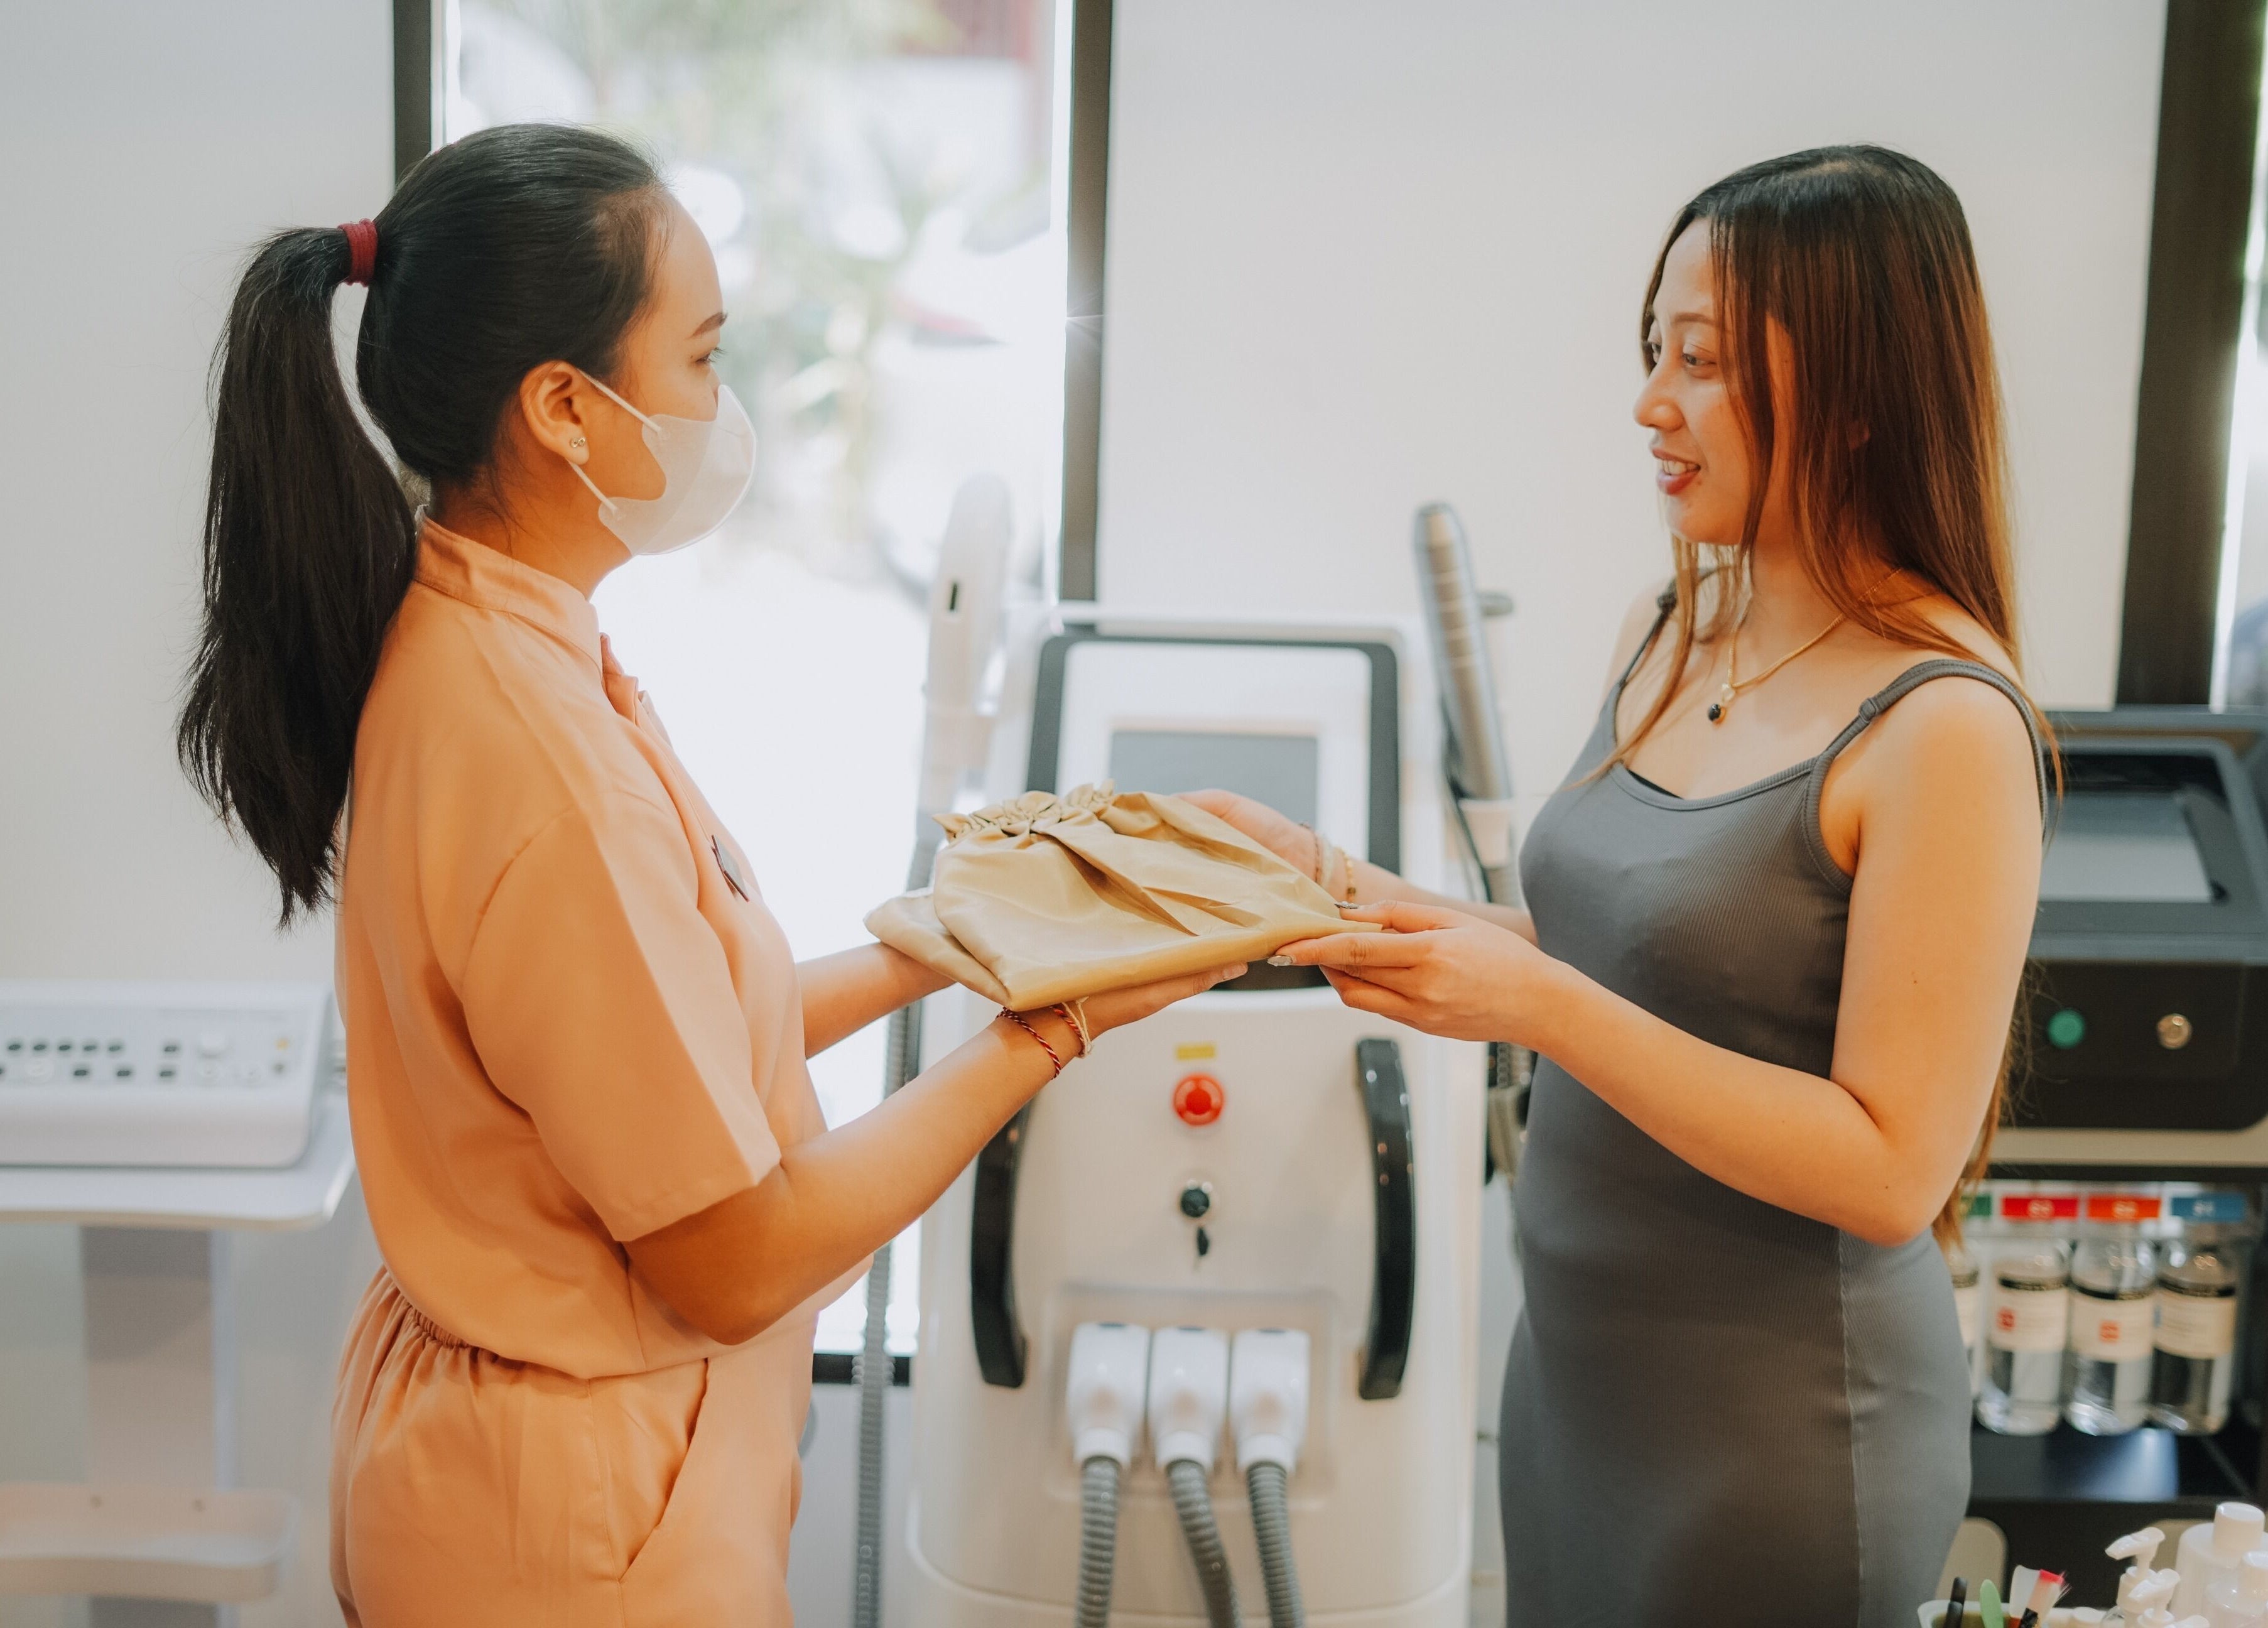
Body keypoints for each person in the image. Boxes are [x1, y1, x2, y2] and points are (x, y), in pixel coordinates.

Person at [176, 122, 1235, 1625]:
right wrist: (1052, 1030)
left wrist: (956, 939)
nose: (722, 411)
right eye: (701, 362)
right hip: (565, 1528)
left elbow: (660, 1046)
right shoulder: (539, 756)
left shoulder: (498, 643)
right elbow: (735, 1257)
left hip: (516, 1463)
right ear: (562, 407)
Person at [1193, 146, 2046, 1625]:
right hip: (1582, 1393)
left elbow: (1893, 1163)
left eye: (1704, 362)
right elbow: (1614, 950)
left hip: (1779, 1439)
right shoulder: (1673, 632)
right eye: (1655, 351)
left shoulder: (1944, 725)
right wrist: (1334, 884)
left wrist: (1539, 1010)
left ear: (1854, 395)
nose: (1652, 403)